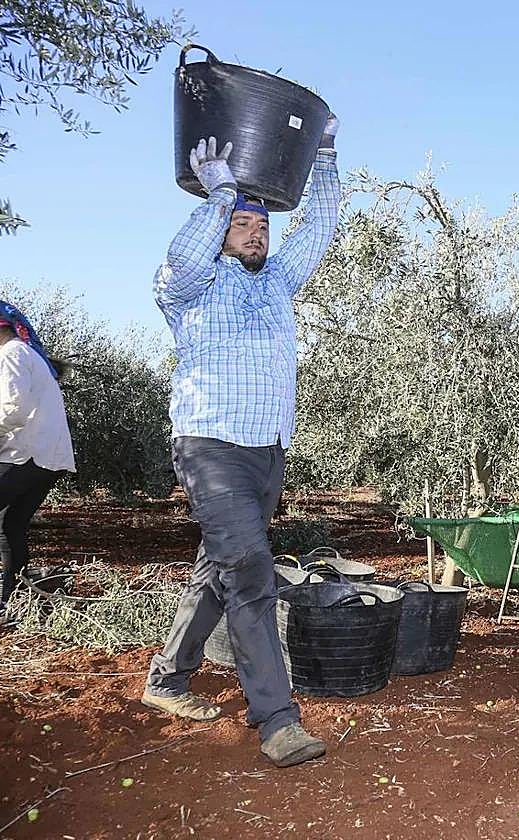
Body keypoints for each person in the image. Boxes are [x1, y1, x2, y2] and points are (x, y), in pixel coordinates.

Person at [141, 115, 341, 769]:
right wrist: (221, 194)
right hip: (210, 446)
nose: (255, 234)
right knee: (251, 573)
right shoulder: (188, 291)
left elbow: (320, 227)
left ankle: (167, 679)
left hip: (266, 450)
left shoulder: (279, 283)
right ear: (220, 230)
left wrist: (326, 151)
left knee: (218, 568)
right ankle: (277, 721)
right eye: (241, 225)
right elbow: (185, 257)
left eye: (261, 225)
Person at [0, 303, 75, 618]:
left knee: (8, 526)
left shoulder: (12, 355)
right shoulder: (28, 356)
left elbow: (13, 408)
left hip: (25, 454)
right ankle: (13, 600)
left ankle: (9, 600)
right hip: (46, 458)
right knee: (10, 525)